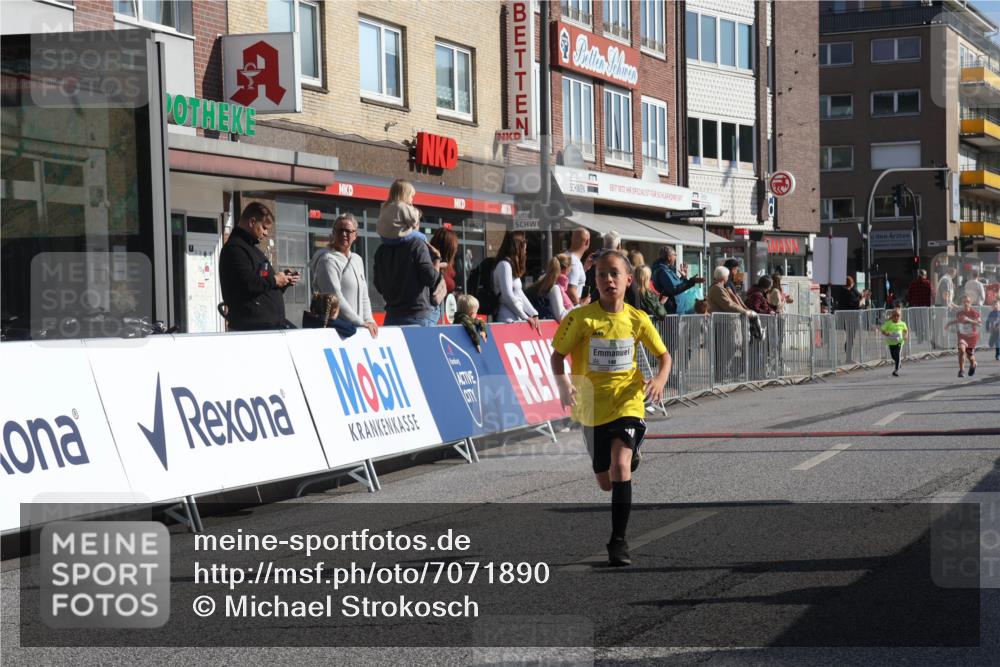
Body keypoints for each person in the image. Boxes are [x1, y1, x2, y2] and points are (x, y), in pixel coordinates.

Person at [550, 249, 671, 567]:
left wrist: (659, 379)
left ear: (628, 280)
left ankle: (618, 543)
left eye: (614, 273)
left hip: (627, 401)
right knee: (606, 481)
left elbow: (665, 356)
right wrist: (563, 383)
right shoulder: (581, 318)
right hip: (591, 407)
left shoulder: (637, 318)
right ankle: (628, 455)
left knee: (620, 467)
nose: (607, 279)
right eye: (601, 273)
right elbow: (556, 356)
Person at [219, 202, 299, 331]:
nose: (266, 233)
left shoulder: (252, 249)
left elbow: (262, 286)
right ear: (252, 222)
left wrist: (282, 282)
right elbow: (248, 284)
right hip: (251, 330)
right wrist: (275, 280)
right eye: (264, 227)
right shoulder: (235, 249)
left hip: (266, 327)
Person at [373, 183, 443, 327]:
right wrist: (436, 261)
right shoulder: (417, 244)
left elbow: (379, 285)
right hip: (417, 316)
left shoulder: (382, 250)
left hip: (392, 315)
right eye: (411, 196)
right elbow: (430, 278)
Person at [308, 213, 378, 338]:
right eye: (340, 230)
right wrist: (360, 322)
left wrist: (369, 320)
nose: (344, 234)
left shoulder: (357, 260)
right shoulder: (327, 260)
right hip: (337, 332)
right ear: (333, 233)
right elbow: (336, 297)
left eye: (348, 231)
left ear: (355, 235)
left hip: (356, 330)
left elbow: (364, 295)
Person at [492, 231, 540, 330]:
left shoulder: (510, 265)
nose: (526, 248)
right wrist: (525, 316)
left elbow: (519, 293)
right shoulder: (504, 265)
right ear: (517, 246)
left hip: (516, 318)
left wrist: (533, 313)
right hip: (507, 320)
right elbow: (507, 296)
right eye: (524, 242)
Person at [651, 246, 704, 315]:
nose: (675, 257)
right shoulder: (663, 271)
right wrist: (692, 281)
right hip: (672, 310)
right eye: (675, 255)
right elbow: (674, 289)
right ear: (669, 257)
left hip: (677, 309)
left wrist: (683, 277)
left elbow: (675, 285)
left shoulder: (666, 269)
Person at [834, 275, 869, 364]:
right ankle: (848, 357)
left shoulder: (843, 291)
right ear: (851, 283)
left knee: (850, 337)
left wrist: (860, 294)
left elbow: (856, 296)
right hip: (850, 318)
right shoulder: (848, 293)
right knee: (850, 337)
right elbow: (856, 304)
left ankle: (848, 356)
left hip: (846, 317)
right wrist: (863, 298)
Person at [948, 294, 982, 377]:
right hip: (962, 337)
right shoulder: (959, 313)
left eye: (968, 302)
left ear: (970, 303)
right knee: (962, 350)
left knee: (970, 357)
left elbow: (979, 324)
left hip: (971, 338)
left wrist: (969, 320)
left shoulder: (975, 313)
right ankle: (961, 370)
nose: (966, 303)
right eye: (964, 302)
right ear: (962, 303)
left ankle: (973, 364)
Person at [527, 256, 570, 322]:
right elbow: (561, 316)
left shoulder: (544, 283)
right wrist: (579, 307)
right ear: (566, 270)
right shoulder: (555, 288)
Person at [880, 306, 908, 377]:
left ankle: (896, 370)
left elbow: (905, 330)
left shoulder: (902, 323)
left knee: (897, 354)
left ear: (900, 316)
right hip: (891, 343)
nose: (896, 317)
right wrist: (886, 333)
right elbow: (882, 329)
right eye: (894, 316)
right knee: (893, 356)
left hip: (899, 342)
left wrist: (905, 336)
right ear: (892, 316)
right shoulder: (888, 323)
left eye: (898, 316)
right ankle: (898, 363)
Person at [567, 227, 591, 306]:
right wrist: (581, 304)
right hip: (573, 313)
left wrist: (584, 268)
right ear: (587, 242)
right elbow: (570, 290)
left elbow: (571, 278)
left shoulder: (565, 256)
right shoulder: (574, 262)